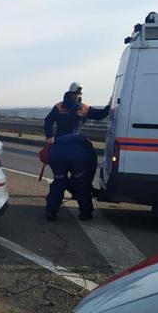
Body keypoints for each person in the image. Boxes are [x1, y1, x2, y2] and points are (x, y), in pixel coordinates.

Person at [44, 82, 110, 221]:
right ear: (77, 94)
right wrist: (111, 104)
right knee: (81, 181)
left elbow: (48, 121)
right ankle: (85, 212)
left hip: (60, 149)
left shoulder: (59, 106)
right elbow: (101, 115)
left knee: (59, 180)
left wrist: (49, 137)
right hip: (77, 150)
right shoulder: (83, 107)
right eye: (79, 93)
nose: (79, 96)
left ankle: (51, 210)